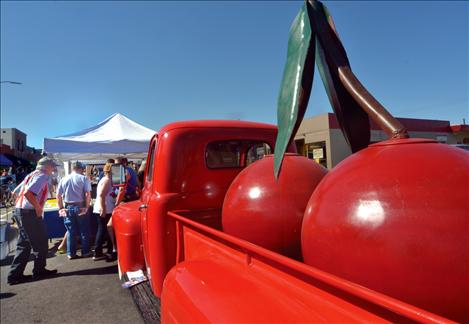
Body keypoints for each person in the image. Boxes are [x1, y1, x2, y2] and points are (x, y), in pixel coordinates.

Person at [7, 157, 59, 285]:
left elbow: (15, 192)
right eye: (52, 166)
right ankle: (38, 271)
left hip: (21, 211)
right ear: (47, 166)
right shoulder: (42, 176)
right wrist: (37, 207)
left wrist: (20, 206)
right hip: (29, 213)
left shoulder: (31, 174)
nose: (53, 169)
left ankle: (15, 275)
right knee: (40, 243)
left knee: (24, 244)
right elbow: (28, 193)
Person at [57, 161, 92, 259]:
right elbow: (87, 194)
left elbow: (58, 195)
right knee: (83, 230)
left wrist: (60, 208)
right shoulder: (83, 178)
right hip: (80, 206)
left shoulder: (64, 179)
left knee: (71, 231)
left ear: (72, 168)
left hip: (68, 207)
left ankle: (70, 253)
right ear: (80, 168)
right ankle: (85, 252)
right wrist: (87, 207)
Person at [92, 163, 116, 261]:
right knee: (102, 230)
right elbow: (101, 195)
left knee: (102, 230)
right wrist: (103, 209)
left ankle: (98, 252)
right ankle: (98, 253)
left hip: (104, 208)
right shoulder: (107, 180)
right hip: (104, 209)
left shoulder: (106, 179)